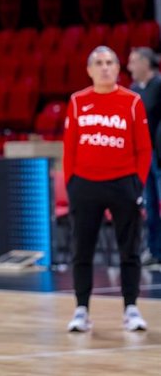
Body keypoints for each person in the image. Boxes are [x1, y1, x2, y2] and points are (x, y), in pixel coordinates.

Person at [63, 45, 151, 332]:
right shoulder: (77, 101)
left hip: (123, 183)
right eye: (98, 62)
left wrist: (136, 183)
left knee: (130, 250)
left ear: (118, 68)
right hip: (85, 185)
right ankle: (81, 310)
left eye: (110, 62)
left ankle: (131, 309)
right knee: (82, 251)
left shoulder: (133, 101)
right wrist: (72, 183)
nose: (104, 67)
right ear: (89, 70)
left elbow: (144, 148)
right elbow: (70, 147)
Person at [128, 47, 161, 267]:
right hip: (143, 154)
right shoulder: (132, 90)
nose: (129, 67)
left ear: (145, 63)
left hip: (158, 153)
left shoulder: (159, 85)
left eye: (133, 62)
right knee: (149, 206)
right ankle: (155, 250)